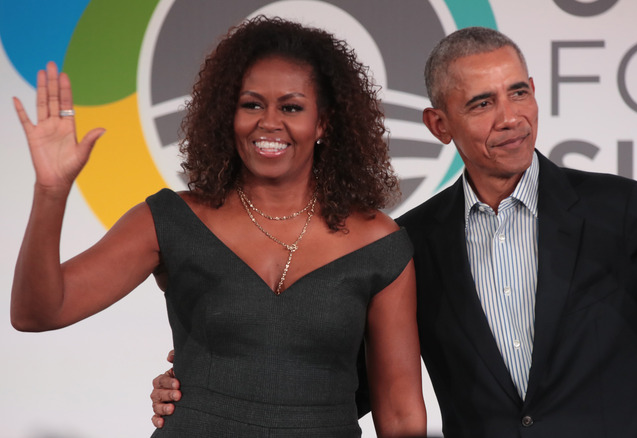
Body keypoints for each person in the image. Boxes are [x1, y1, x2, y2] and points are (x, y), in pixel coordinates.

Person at [151, 27, 637, 437]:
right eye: (481, 104)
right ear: (438, 123)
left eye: (519, 93)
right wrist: (209, 385)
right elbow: (352, 387)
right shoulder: (409, 243)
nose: (510, 118)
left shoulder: (619, 210)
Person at [10, 16, 426, 437]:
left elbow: (402, 415)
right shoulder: (171, 220)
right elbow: (38, 312)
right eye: (251, 104)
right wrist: (51, 190)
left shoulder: (380, 245)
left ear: (324, 123)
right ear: (228, 115)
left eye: (291, 107)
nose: (269, 122)